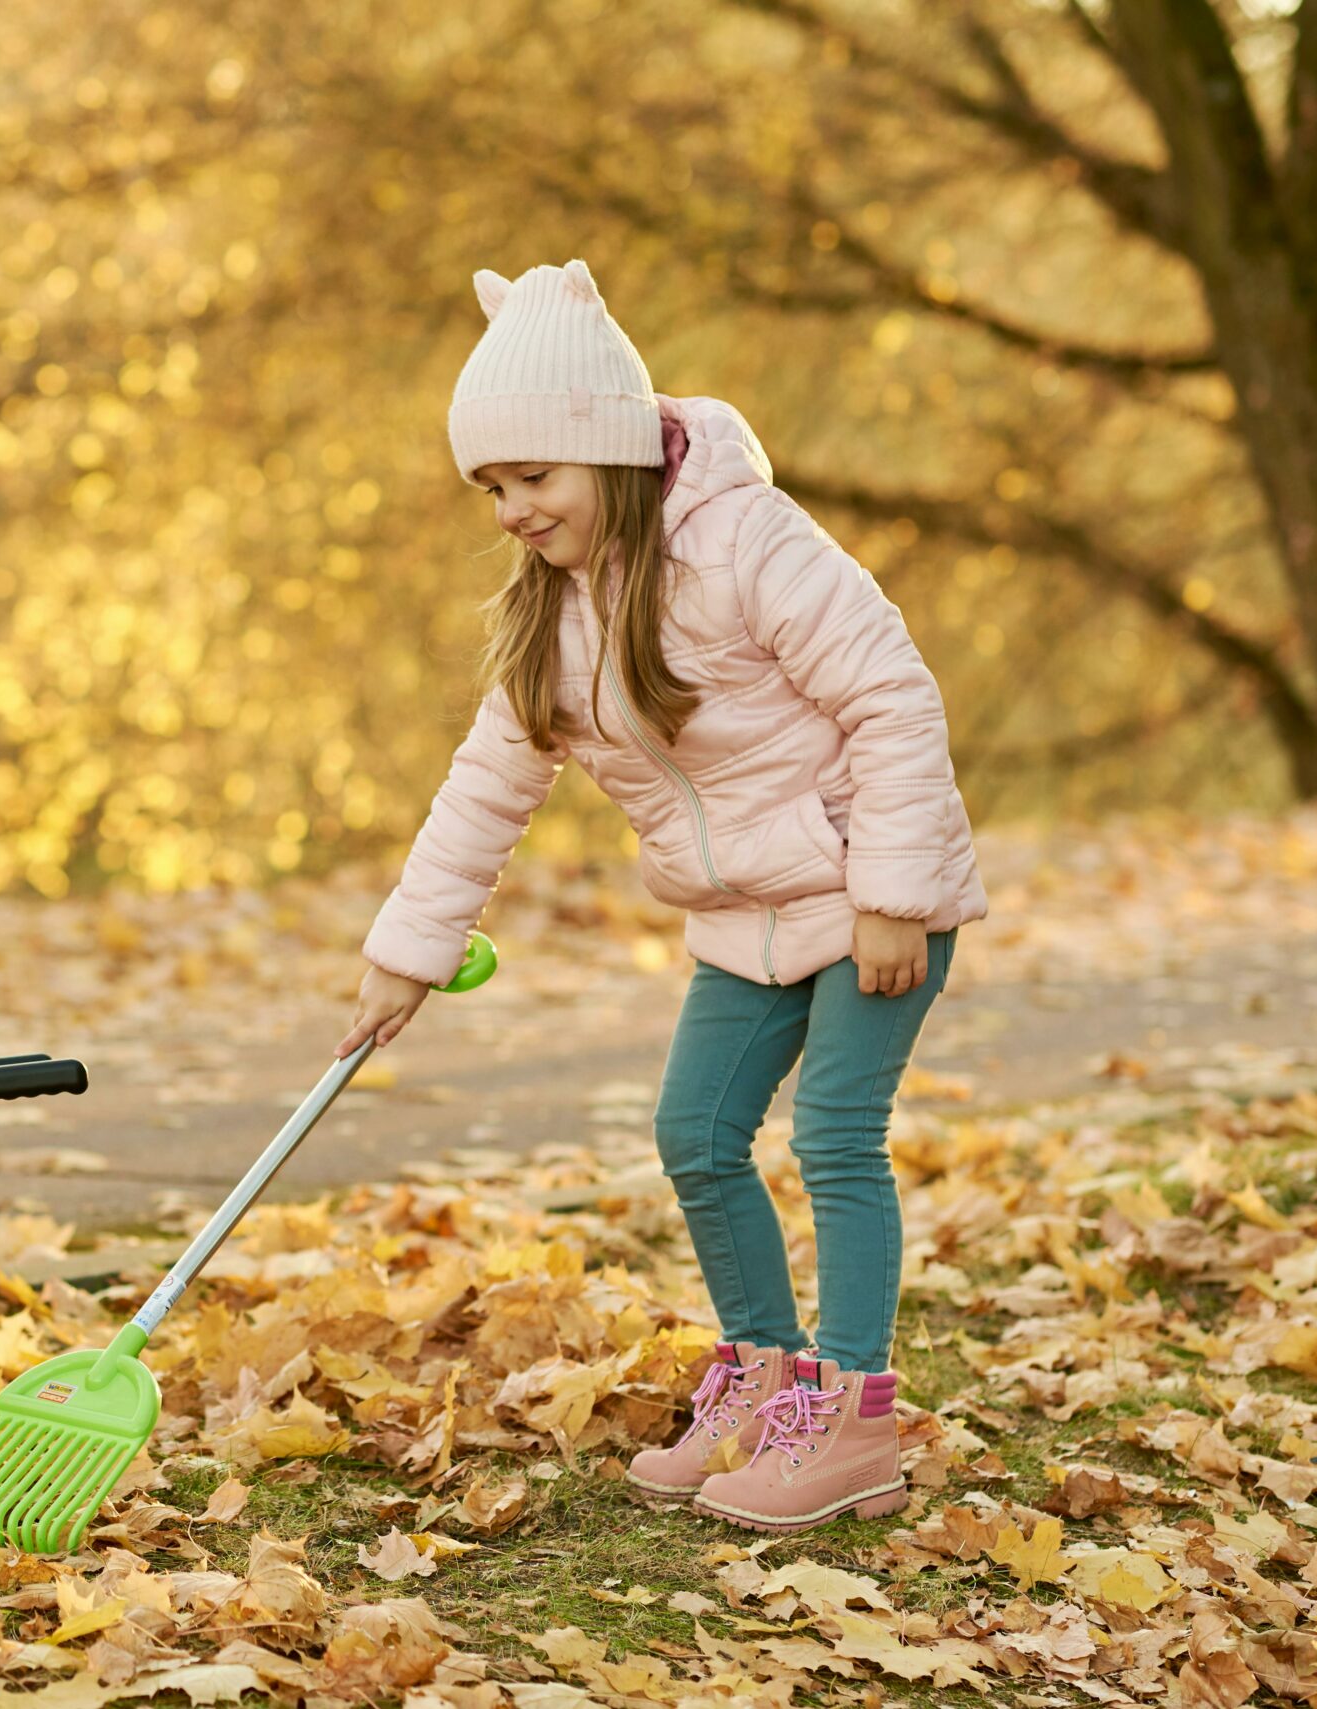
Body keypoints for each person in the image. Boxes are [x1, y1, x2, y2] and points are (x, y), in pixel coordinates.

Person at [336, 259, 988, 1534]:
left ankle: (852, 1415)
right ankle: (760, 1376)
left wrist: (893, 891)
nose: (512, 509)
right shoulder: (553, 619)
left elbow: (891, 695)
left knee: (833, 1139)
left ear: (608, 452)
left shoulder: (746, 543)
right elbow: (485, 787)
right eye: (492, 487)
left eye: (533, 477)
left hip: (867, 895)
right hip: (741, 919)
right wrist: (406, 952)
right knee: (694, 1134)